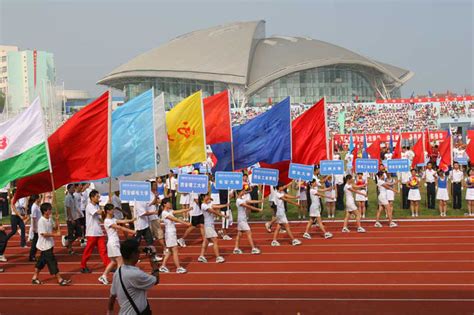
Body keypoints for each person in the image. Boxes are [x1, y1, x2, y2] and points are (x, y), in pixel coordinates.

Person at [108, 239, 160, 315]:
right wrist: (153, 261)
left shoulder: (118, 272)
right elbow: (156, 280)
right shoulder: (135, 274)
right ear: (133, 254)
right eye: (138, 252)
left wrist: (109, 311)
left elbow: (112, 296)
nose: (139, 254)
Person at [31, 202, 71, 286]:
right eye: (49, 209)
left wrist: (57, 221)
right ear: (45, 211)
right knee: (52, 262)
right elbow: (43, 234)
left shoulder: (50, 218)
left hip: (49, 245)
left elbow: (55, 228)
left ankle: (35, 277)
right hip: (45, 246)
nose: (51, 211)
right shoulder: (41, 221)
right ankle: (59, 279)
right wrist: (55, 235)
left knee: (41, 262)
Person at [99, 204, 136, 285]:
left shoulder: (112, 219)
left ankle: (104, 276)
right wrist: (132, 231)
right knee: (120, 262)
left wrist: (132, 219)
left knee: (113, 262)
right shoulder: (107, 221)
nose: (113, 211)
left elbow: (122, 221)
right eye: (112, 210)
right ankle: (119, 280)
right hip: (113, 243)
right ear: (108, 211)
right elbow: (120, 227)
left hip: (114, 243)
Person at [80, 190, 111, 273]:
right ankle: (83, 266)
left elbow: (101, 218)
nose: (99, 198)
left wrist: (106, 214)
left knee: (103, 250)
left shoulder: (97, 206)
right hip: (91, 233)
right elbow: (99, 212)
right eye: (97, 196)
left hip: (99, 232)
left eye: (98, 196)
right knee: (88, 251)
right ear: (92, 197)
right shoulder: (89, 206)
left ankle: (108, 265)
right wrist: (107, 209)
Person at [159, 198, 192, 273]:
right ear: (164, 204)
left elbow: (178, 211)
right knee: (175, 250)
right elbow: (175, 219)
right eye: (168, 203)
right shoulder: (164, 213)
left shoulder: (169, 211)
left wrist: (188, 209)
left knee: (170, 251)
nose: (170, 204)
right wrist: (186, 223)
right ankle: (178, 268)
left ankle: (163, 266)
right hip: (170, 233)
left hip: (172, 233)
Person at [198, 194, 228, 263]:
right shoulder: (203, 205)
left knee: (206, 241)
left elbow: (216, 206)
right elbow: (213, 211)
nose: (208, 197)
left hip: (210, 225)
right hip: (208, 225)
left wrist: (225, 205)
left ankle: (201, 256)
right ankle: (218, 257)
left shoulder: (208, 204)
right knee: (215, 240)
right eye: (206, 196)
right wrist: (223, 216)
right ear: (203, 198)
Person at [233, 189, 263, 254]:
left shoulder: (242, 199)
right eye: (242, 191)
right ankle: (253, 248)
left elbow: (250, 201)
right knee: (249, 232)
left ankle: (236, 248)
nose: (244, 192)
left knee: (239, 234)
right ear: (239, 193)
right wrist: (257, 209)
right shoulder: (239, 201)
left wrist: (260, 201)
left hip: (242, 219)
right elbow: (248, 206)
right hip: (242, 220)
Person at [28, 195, 42, 262]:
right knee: (35, 242)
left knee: (37, 241)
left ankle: (33, 255)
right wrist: (34, 227)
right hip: (37, 227)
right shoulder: (34, 207)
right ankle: (32, 256)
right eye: (39, 197)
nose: (40, 198)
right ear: (36, 199)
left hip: (39, 226)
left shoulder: (37, 206)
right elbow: (33, 218)